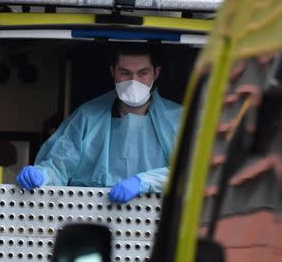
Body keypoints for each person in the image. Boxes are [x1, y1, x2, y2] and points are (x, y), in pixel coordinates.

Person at [17, 44, 182, 203]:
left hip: (156, 221)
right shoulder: (87, 117)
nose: (133, 81)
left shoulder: (179, 120)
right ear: (113, 72)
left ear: (156, 73)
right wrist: (42, 175)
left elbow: (192, 171)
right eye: (125, 73)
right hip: (89, 215)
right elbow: (59, 164)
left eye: (142, 73)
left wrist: (143, 182)